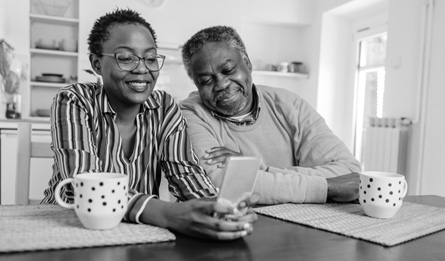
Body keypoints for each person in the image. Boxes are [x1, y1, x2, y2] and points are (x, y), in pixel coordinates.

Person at [41, 10, 257, 240]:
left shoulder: (165, 107)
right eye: (125, 58)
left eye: (151, 58)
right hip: (69, 227)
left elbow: (185, 174)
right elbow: (85, 185)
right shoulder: (75, 100)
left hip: (136, 231)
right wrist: (168, 214)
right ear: (96, 63)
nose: (142, 69)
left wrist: (219, 207)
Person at [179, 25, 362, 205]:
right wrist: (326, 187)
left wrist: (259, 169)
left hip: (301, 222)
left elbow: (349, 172)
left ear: (248, 64)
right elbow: (224, 186)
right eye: (206, 80)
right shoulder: (190, 114)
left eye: (228, 70)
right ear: (196, 84)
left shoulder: (289, 104)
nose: (221, 84)